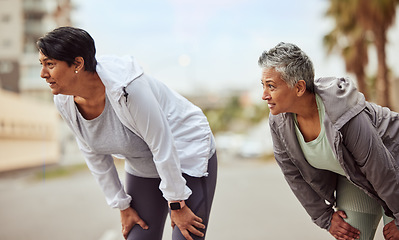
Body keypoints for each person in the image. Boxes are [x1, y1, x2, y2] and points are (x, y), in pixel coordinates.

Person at [37, 26, 217, 240]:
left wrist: (177, 203)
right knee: (138, 236)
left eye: (50, 64)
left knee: (186, 235)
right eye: (42, 65)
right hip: (141, 163)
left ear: (77, 64)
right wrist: (122, 205)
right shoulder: (64, 100)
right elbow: (92, 152)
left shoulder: (128, 88)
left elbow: (162, 144)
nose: (43, 74)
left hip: (184, 151)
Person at [258, 42, 399, 240]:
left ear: (299, 87)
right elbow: (293, 174)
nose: (264, 95)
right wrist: (324, 217)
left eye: (271, 86)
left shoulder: (342, 111)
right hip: (355, 177)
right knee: (351, 236)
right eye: (263, 86)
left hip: (394, 165)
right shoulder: (279, 121)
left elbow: (380, 167)